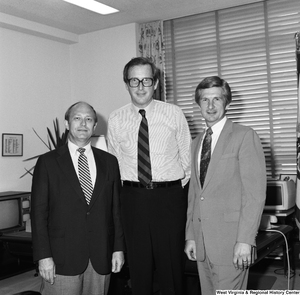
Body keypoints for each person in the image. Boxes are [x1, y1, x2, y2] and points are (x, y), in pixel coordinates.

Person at [107, 57, 191, 295]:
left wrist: (170, 188)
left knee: (171, 270)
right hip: (133, 199)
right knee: (139, 270)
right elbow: (114, 161)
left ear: (155, 84)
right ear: (126, 84)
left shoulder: (174, 113)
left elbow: (187, 160)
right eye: (134, 80)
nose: (141, 86)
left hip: (169, 199)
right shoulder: (116, 118)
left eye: (146, 80)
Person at [31, 101, 125, 295]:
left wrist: (118, 249)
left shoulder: (110, 162)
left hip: (101, 257)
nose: (83, 123)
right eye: (77, 118)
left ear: (95, 125)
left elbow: (116, 211)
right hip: (61, 258)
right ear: (67, 124)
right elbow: (38, 214)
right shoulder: (48, 162)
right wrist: (43, 257)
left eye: (89, 119)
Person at [184, 76, 266, 293]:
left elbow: (254, 195)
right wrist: (191, 236)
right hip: (202, 243)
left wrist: (245, 240)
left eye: (216, 99)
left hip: (231, 243)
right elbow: (195, 194)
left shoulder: (244, 136)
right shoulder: (195, 143)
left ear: (226, 102)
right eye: (204, 100)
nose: (210, 106)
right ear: (198, 104)